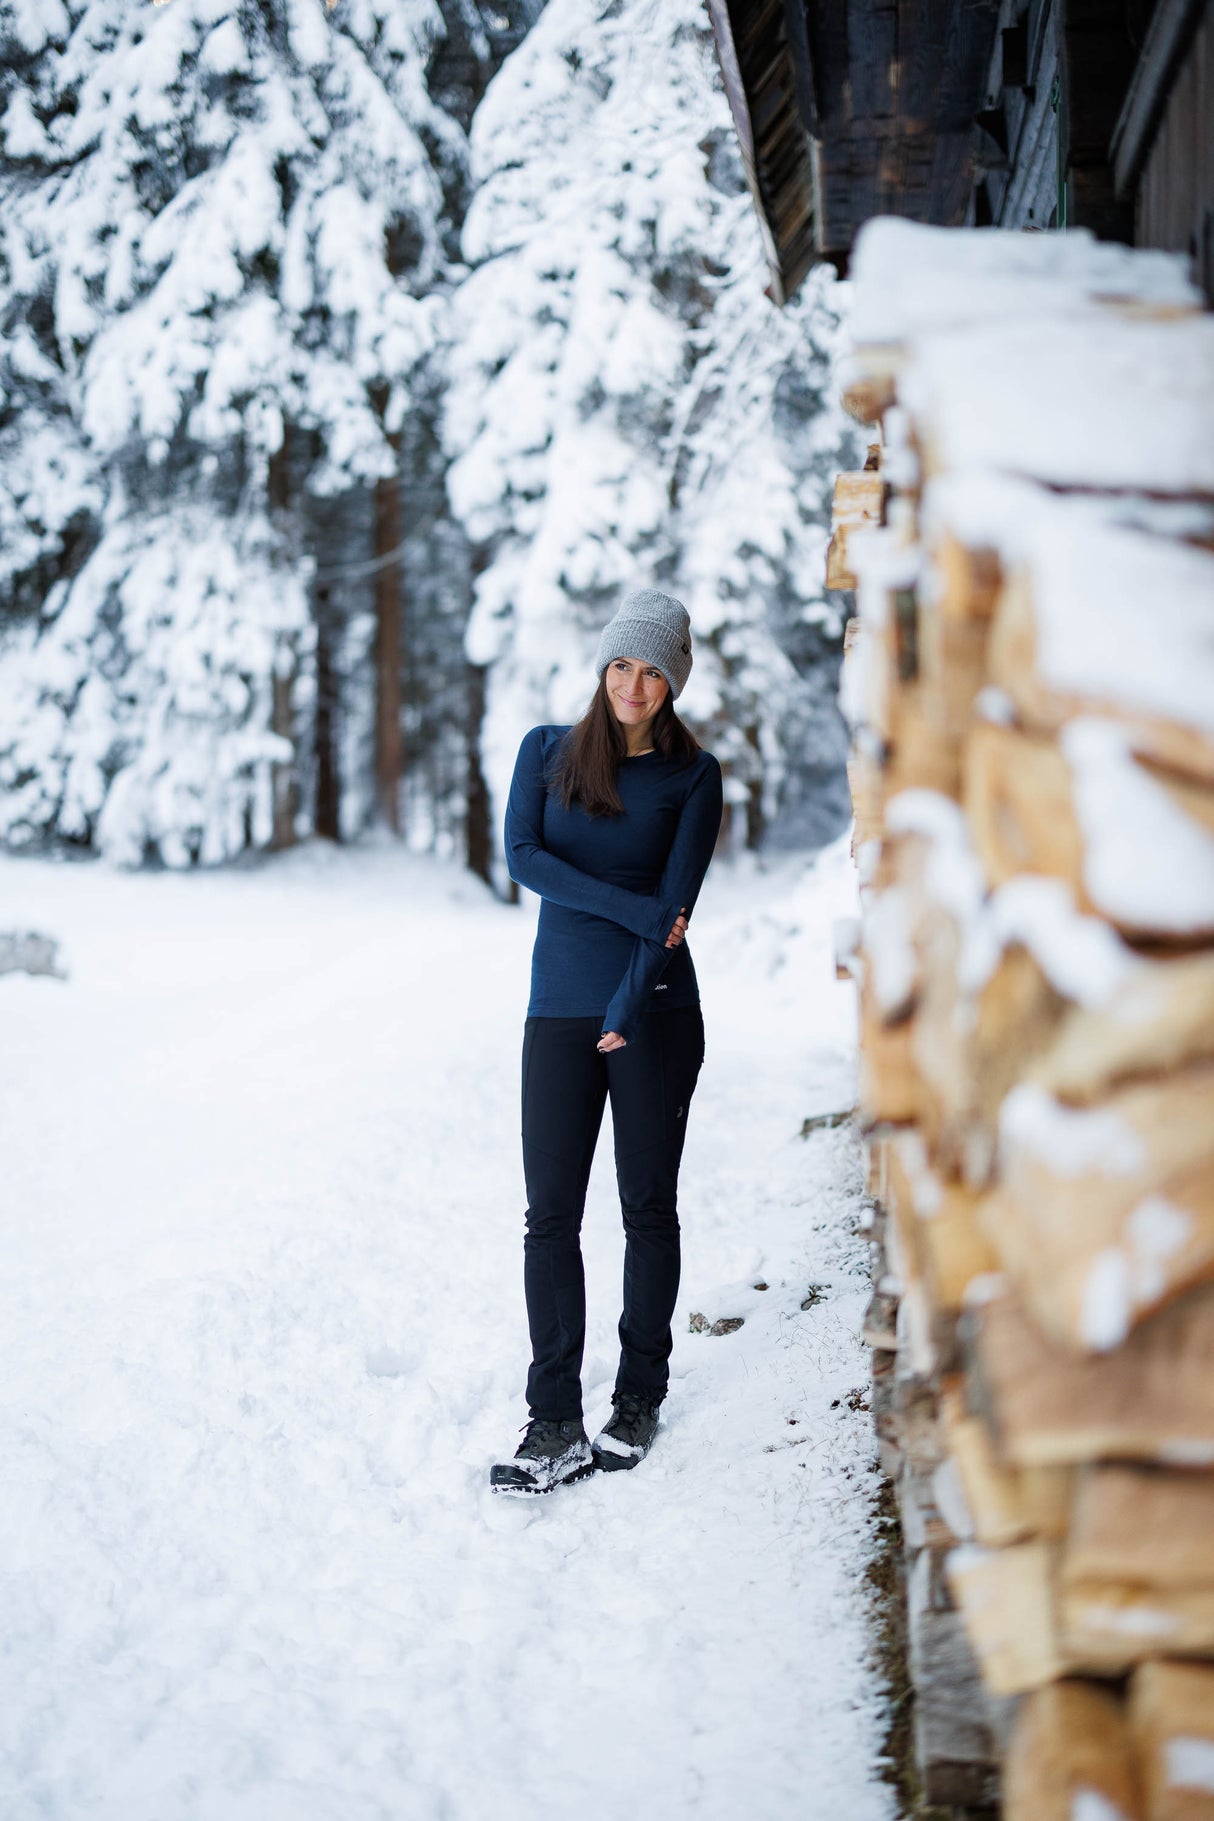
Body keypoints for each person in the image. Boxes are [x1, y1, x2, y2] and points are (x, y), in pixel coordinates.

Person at [489, 589, 723, 1495]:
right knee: (549, 1216)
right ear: (604, 668)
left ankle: (638, 1392)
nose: (635, 682)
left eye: (654, 669)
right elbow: (524, 858)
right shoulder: (546, 753)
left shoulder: (692, 776)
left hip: (656, 1012)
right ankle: (554, 1419)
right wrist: (633, 910)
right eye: (624, 664)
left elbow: (681, 907)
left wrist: (626, 1004)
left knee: (644, 1207)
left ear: (672, 683)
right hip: (558, 1009)